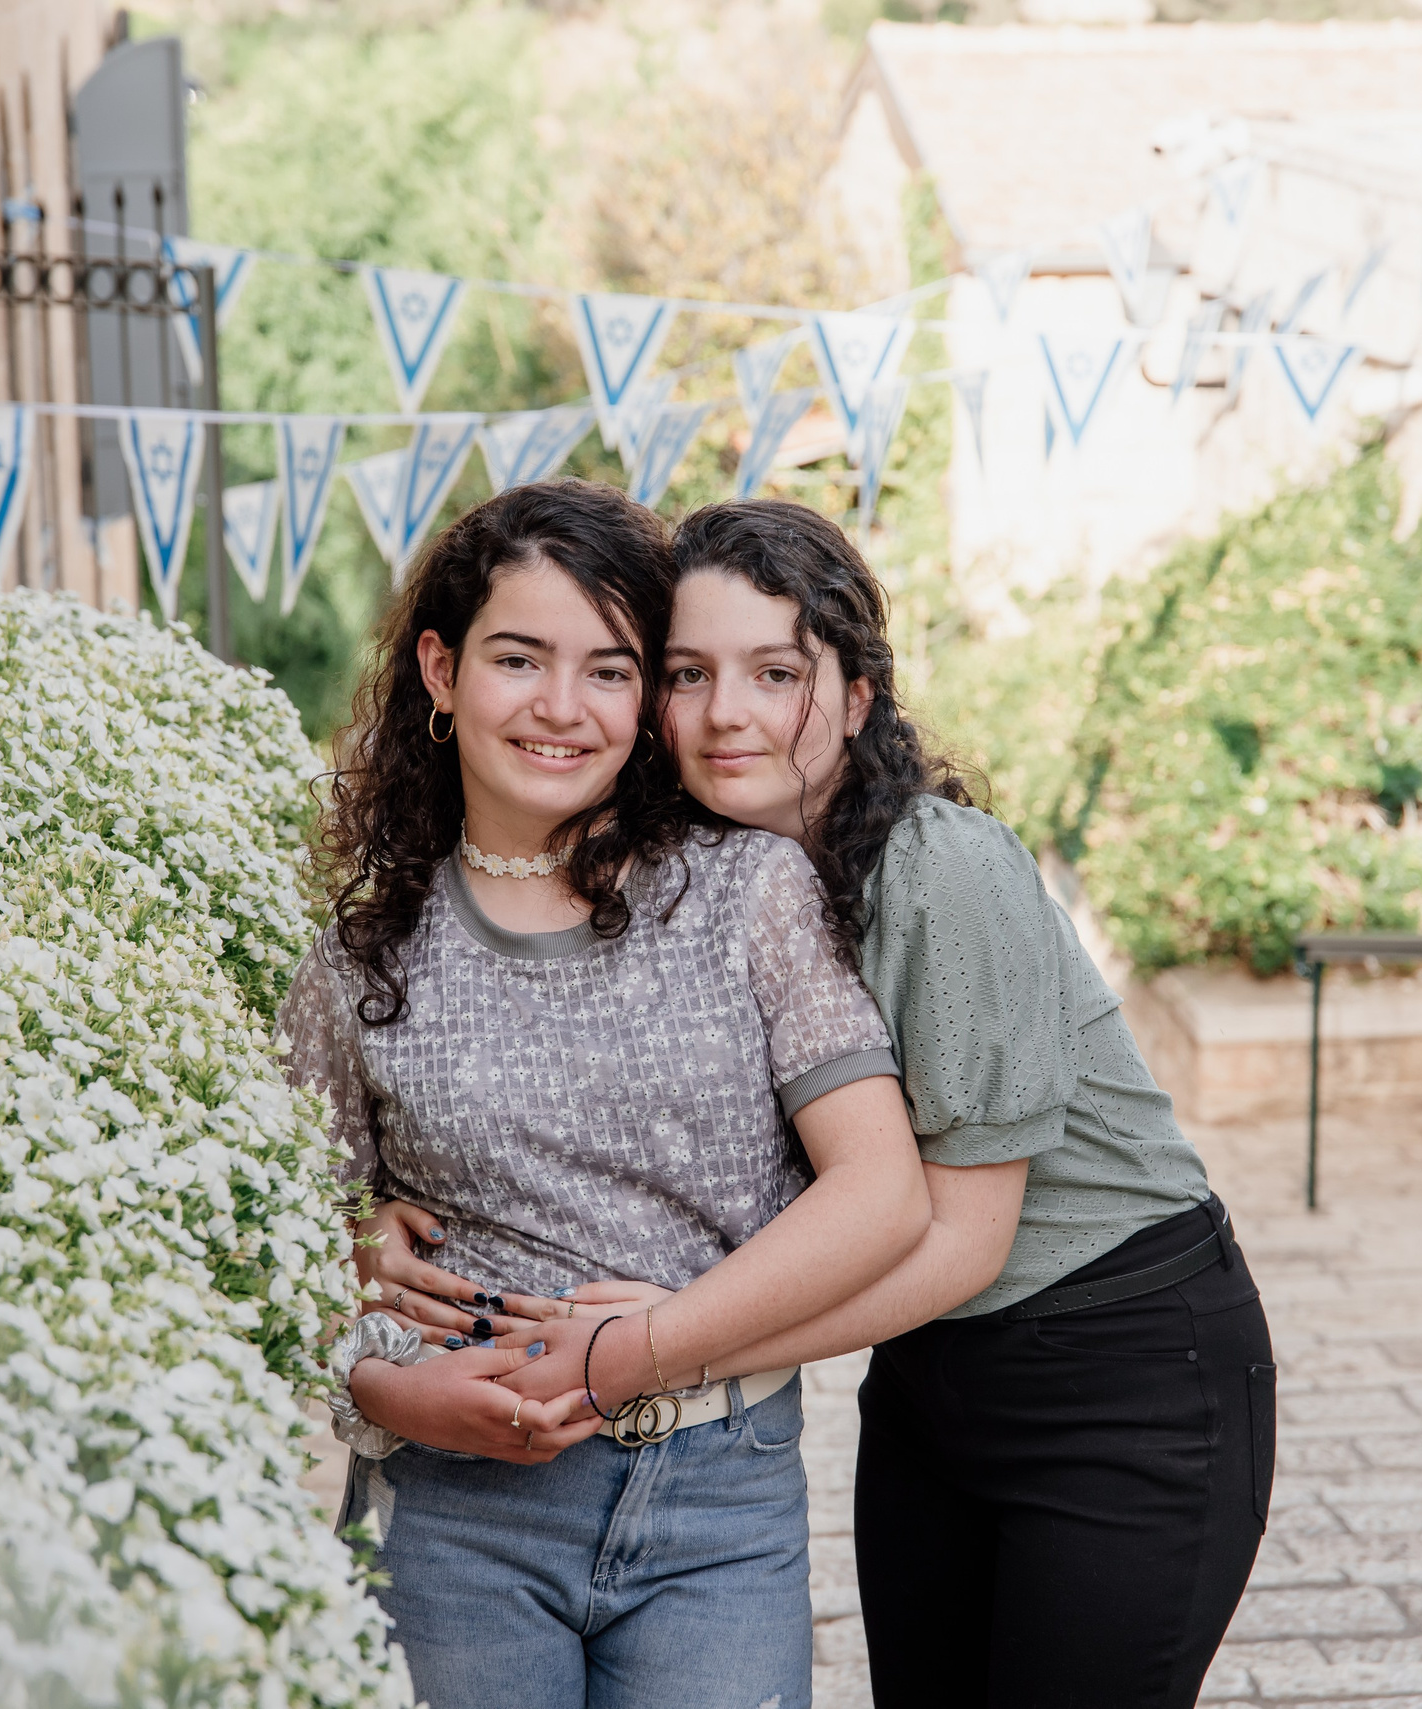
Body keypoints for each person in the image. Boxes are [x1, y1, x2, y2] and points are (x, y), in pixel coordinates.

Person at [369, 497, 1274, 1709]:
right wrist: (371, 1210)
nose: (727, 712)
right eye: (688, 673)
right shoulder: (708, 870)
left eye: (777, 670)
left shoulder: (940, 867)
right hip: (929, 1379)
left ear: (857, 697)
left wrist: (651, 1349)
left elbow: (959, 1235)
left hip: (1119, 1370)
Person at [279, 480, 930, 1709]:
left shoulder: (747, 894)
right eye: (518, 658)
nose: (561, 708)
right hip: (454, 1509)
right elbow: (292, 1259)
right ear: (438, 666)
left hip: (717, 1492)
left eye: (612, 670)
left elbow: (882, 1191)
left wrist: (645, 1346)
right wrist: (381, 1379)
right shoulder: (358, 957)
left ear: (646, 702)